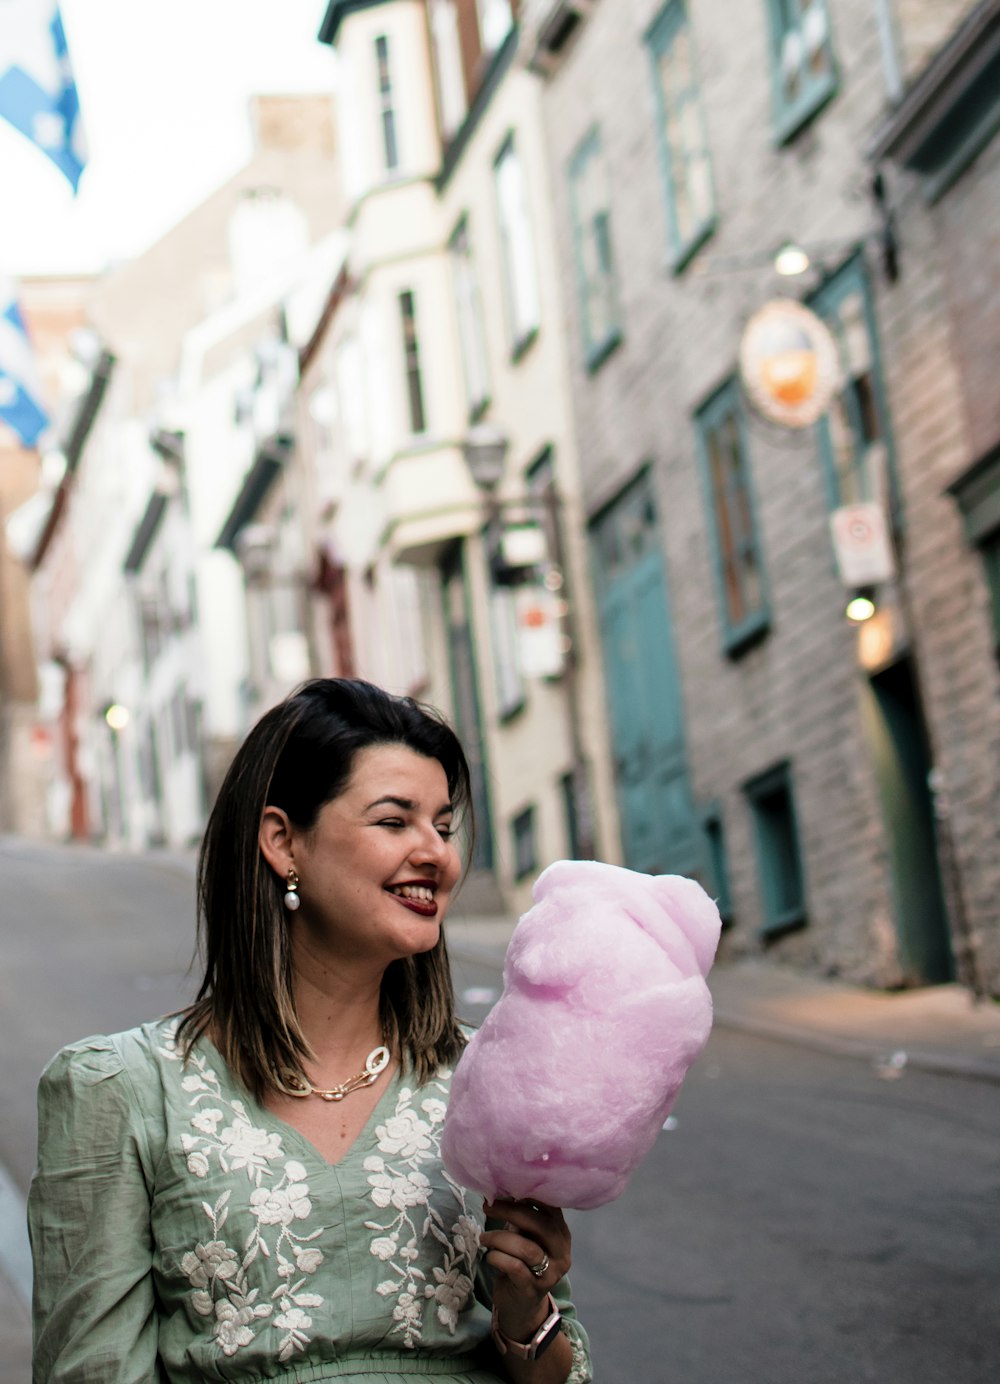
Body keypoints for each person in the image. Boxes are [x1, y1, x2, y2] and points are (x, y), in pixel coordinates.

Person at [29, 678, 591, 1384]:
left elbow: (562, 1373)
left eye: (444, 828)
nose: (436, 854)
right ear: (282, 841)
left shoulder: (488, 1077)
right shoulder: (125, 1090)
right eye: (395, 822)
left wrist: (526, 1311)